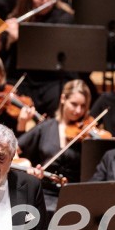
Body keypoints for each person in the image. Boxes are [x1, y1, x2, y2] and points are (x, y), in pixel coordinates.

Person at [0, 0, 76, 117]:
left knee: (58, 96)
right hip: (25, 79)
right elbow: (1, 58)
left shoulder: (64, 18)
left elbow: (46, 49)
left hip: (52, 78)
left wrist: (21, 38)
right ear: (29, 0)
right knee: (7, 97)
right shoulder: (19, 18)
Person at [17, 79, 92, 213]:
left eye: (83, 106)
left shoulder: (87, 133)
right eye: (74, 104)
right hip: (45, 195)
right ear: (63, 99)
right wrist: (25, 165)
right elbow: (13, 149)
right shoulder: (45, 127)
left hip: (75, 196)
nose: (78, 110)